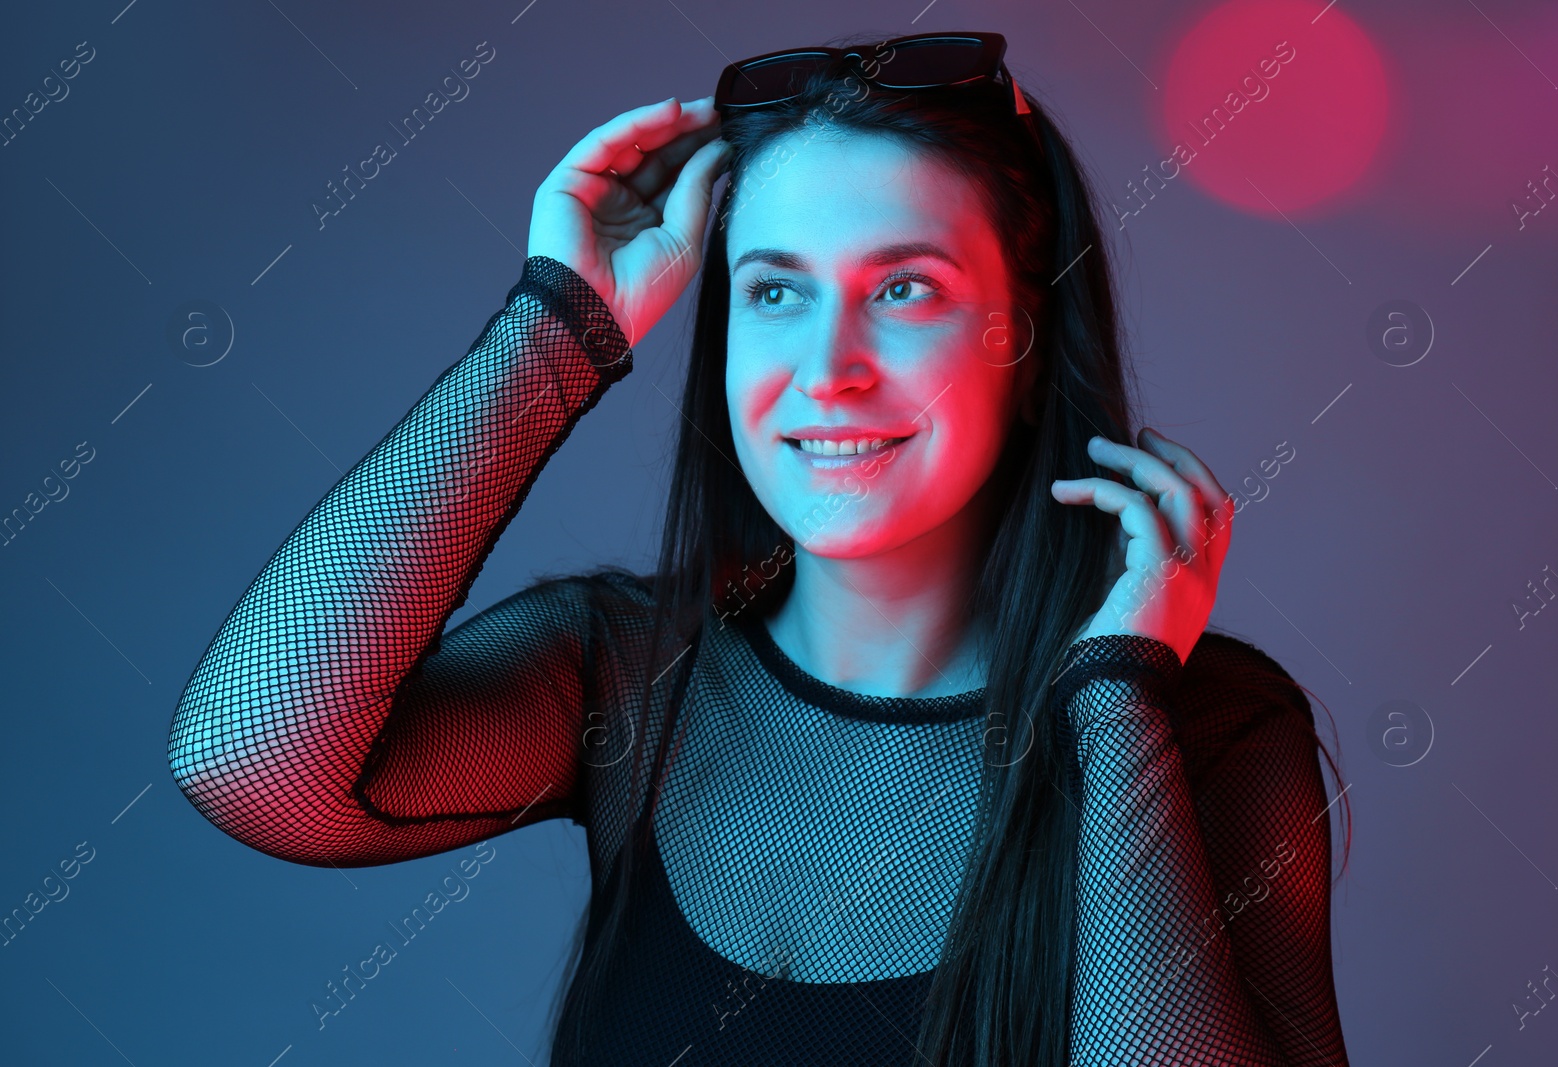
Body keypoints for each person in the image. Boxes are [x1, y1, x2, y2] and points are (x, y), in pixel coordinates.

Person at [168, 30, 1351, 1066]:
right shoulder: (626, 671)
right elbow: (249, 759)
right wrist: (557, 327)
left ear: (1022, 341)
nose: (828, 365)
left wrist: (1114, 700)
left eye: (905, 290)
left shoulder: (1205, 729)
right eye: (775, 294)